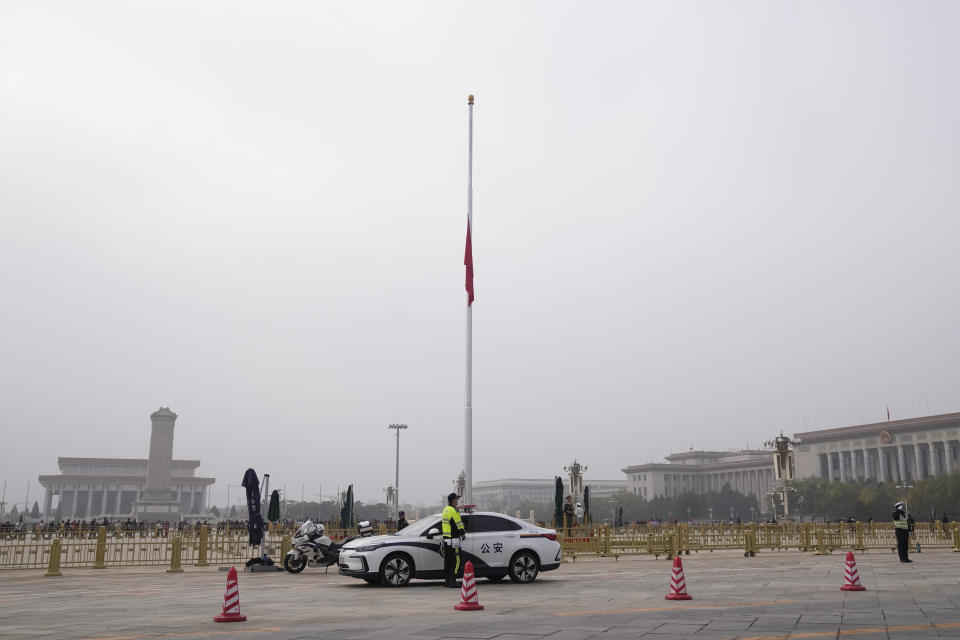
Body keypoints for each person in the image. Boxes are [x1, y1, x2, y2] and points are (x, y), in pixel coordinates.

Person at [441, 492, 466, 588]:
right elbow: (458, 524)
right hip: (454, 539)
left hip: (447, 539)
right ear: (453, 500)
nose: (457, 501)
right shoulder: (453, 510)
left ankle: (447, 581)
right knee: (456, 560)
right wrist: (463, 533)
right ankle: (453, 581)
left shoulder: (445, 510)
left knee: (448, 560)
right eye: (456, 500)